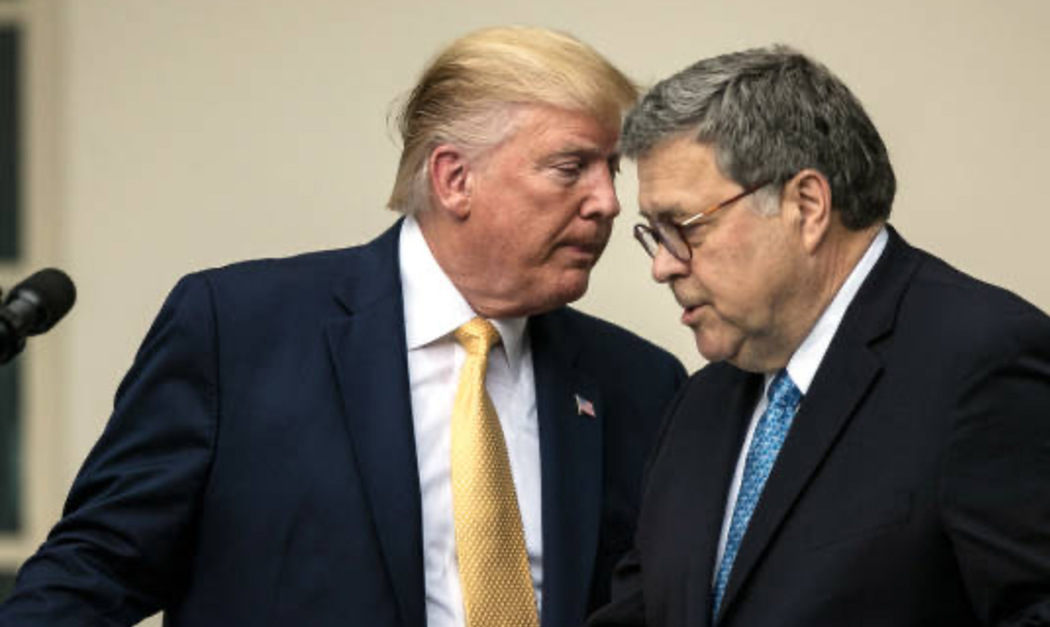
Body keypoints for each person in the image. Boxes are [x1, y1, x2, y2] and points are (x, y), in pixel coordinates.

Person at [0, 26, 685, 627]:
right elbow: (96, 569)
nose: (606, 201)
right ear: (454, 179)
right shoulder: (237, 333)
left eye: (610, 169)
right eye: (573, 168)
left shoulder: (639, 383)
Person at [589, 46, 1050, 627]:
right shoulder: (700, 403)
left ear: (806, 206)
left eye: (683, 229)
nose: (662, 265)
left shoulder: (988, 363)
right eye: (652, 235)